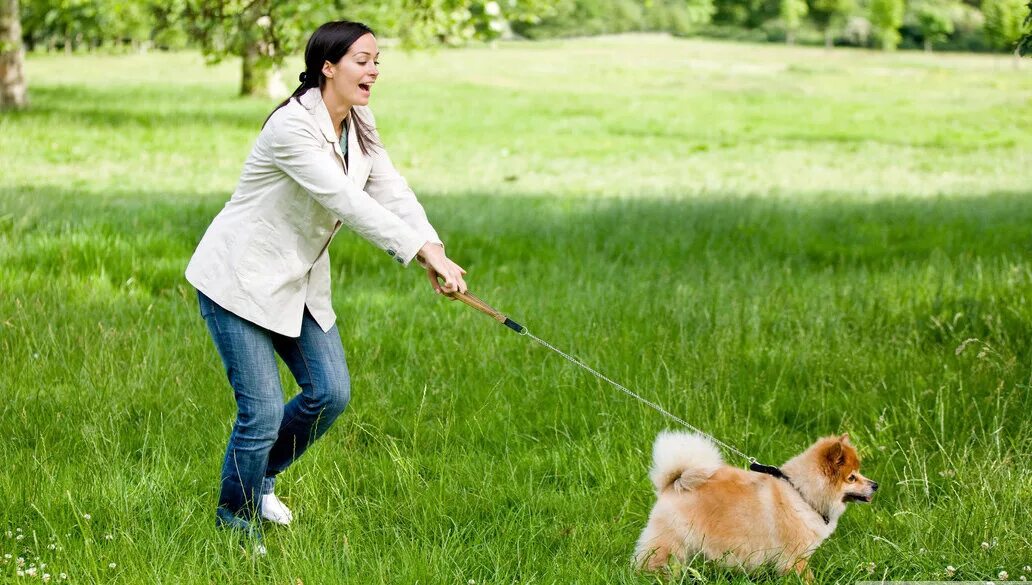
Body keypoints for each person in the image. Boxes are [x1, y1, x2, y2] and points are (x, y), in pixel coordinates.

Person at [185, 20, 468, 547]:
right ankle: (235, 517)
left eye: (377, 60)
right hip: (238, 281)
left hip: (298, 281)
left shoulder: (359, 120)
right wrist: (413, 251)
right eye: (363, 60)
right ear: (328, 67)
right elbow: (346, 199)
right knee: (263, 410)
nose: (374, 70)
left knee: (330, 393)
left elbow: (389, 188)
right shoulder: (290, 128)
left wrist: (433, 248)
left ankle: (255, 478)